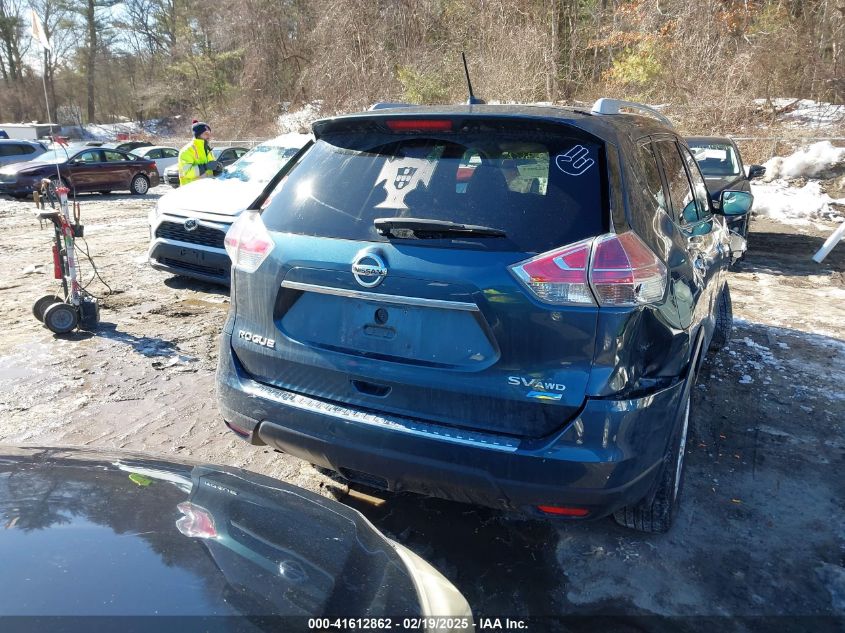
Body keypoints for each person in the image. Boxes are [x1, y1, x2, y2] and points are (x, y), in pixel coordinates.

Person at [178, 120, 220, 186]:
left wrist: (217, 169)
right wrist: (205, 167)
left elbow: (210, 170)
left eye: (209, 134)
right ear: (198, 135)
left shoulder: (208, 150)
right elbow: (187, 173)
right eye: (206, 134)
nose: (209, 137)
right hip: (191, 191)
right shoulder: (186, 150)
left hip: (207, 188)